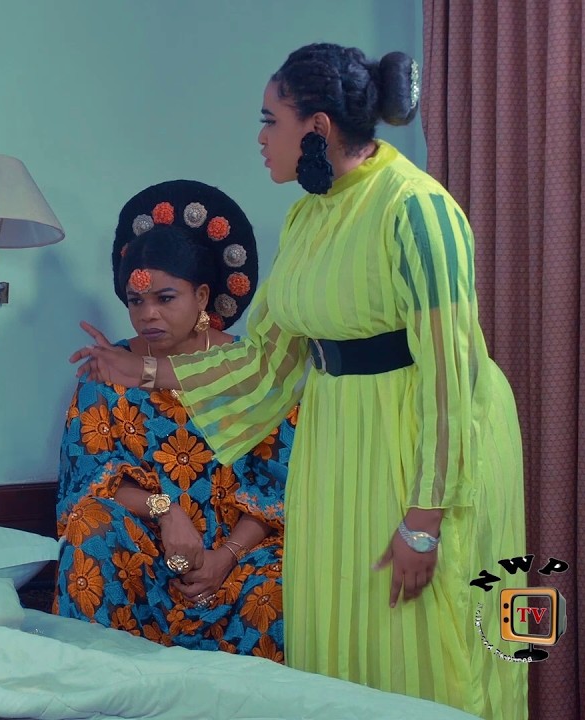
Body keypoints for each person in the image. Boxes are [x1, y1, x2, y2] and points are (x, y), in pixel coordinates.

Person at [70, 44, 527, 719]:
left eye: (269, 121)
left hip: (419, 435)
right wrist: (142, 370)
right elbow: (267, 362)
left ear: (316, 128)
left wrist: (424, 523)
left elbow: (449, 375)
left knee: (430, 635)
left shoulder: (416, 209)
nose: (260, 139)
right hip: (339, 437)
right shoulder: (307, 217)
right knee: (340, 630)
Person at [55, 181, 294, 660]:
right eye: (135, 301)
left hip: (240, 560)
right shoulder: (110, 371)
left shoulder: (247, 369)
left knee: (285, 581)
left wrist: (225, 557)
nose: (148, 315)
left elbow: (277, 484)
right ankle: (97, 687)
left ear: (202, 295)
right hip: (143, 558)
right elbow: (90, 481)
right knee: (89, 528)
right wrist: (166, 511)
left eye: (165, 298)